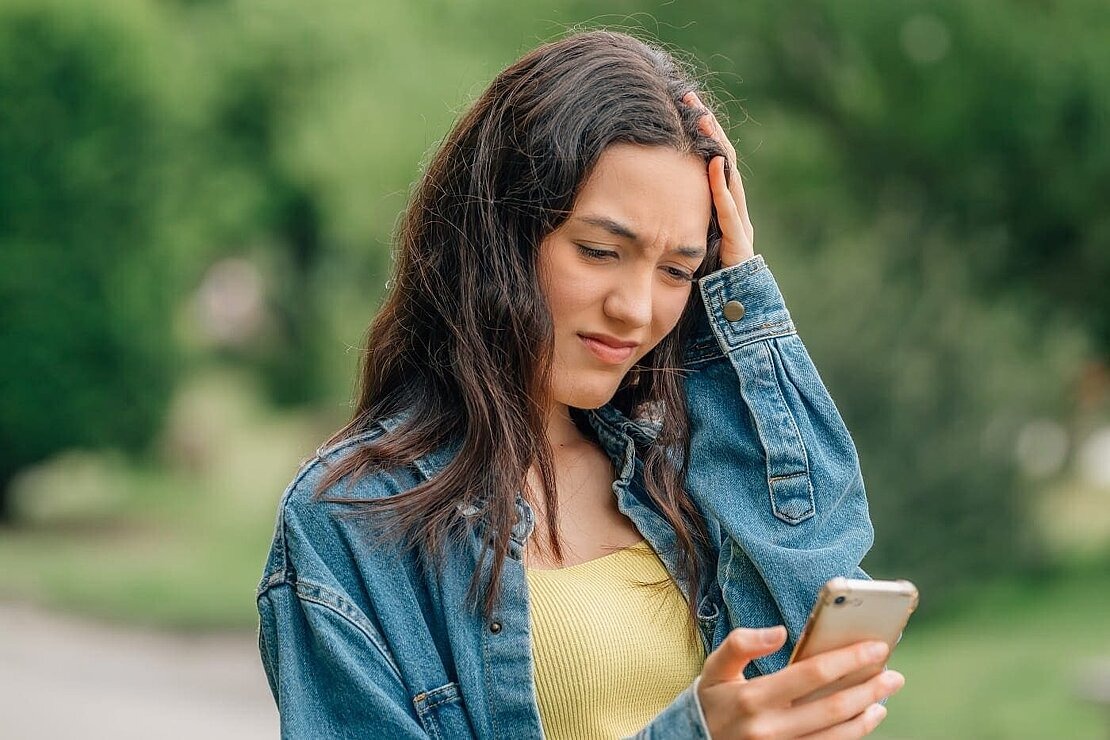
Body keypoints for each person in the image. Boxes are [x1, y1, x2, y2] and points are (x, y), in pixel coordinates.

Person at [256, 29, 904, 739]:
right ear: (497, 236)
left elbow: (823, 597)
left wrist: (742, 306)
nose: (636, 309)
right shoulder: (353, 518)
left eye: (678, 271)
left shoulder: (684, 472)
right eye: (599, 251)